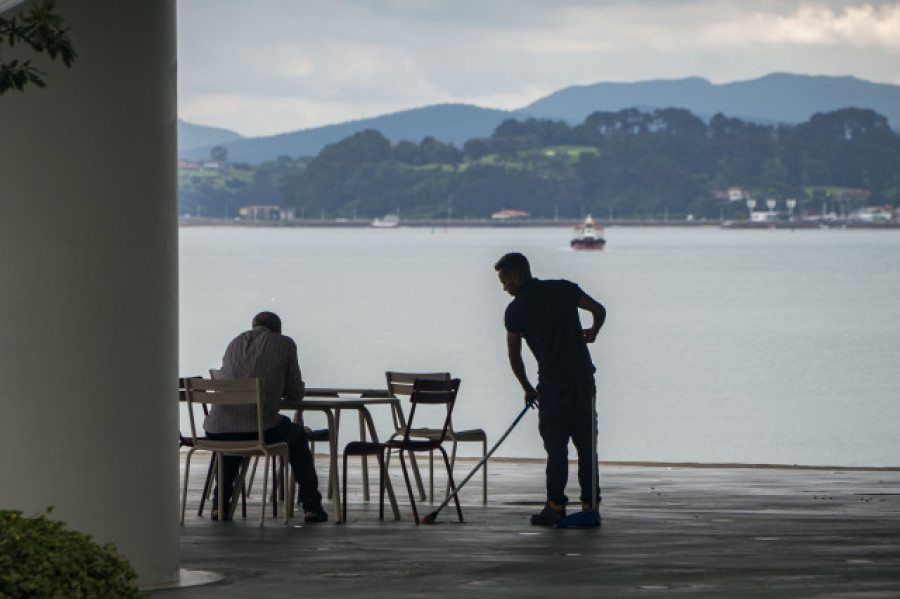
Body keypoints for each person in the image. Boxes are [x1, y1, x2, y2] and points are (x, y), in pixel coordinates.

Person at [494, 252, 607, 526]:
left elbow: (514, 356)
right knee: (586, 445)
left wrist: (527, 388)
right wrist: (592, 332)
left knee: (556, 448)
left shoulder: (516, 310)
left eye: (505, 279)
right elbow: (599, 310)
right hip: (582, 380)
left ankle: (555, 507)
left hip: (553, 384)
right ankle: (590, 506)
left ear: (517, 276)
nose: (504, 286)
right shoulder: (564, 288)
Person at [204, 311, 327, 522]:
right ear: (278, 329)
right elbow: (295, 394)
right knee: (297, 435)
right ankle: (311, 506)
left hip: (216, 430)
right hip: (258, 429)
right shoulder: (284, 343)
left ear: (253, 326)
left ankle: (219, 506)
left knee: (231, 444)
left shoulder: (235, 342)